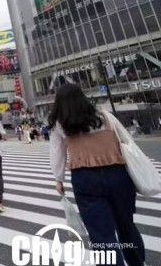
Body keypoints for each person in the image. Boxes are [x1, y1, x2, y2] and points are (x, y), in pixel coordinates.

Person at [49, 84, 146, 266]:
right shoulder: (105, 116)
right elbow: (126, 140)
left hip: (85, 178)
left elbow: (57, 154)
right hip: (118, 175)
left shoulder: (60, 125)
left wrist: (59, 179)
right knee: (126, 224)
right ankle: (137, 262)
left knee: (101, 234)